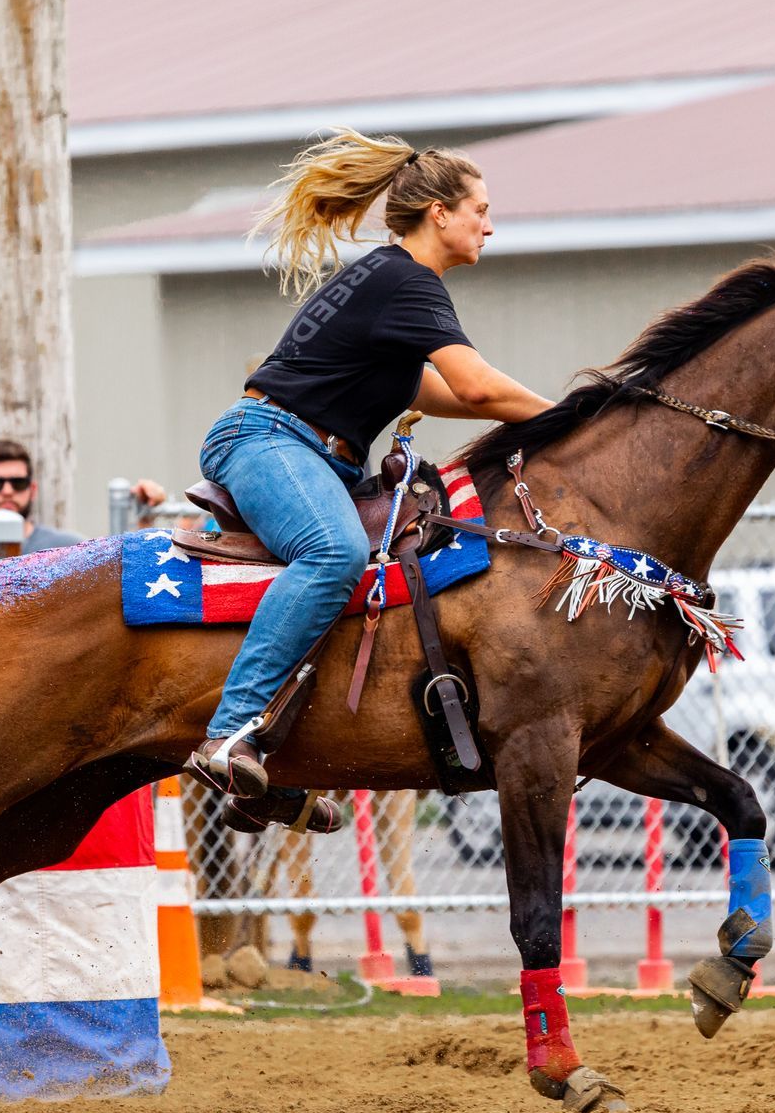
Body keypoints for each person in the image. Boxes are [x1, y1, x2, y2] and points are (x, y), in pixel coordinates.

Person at [188, 129, 552, 831]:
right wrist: (581, 411)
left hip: (296, 447)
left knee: (370, 577)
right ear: (439, 214)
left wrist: (551, 410)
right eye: (480, 207)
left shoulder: (394, 279)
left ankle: (271, 771)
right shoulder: (406, 281)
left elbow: (429, 388)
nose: (490, 222)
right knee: (335, 556)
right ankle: (230, 736)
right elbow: (474, 388)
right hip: (268, 440)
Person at [0, 439, 165, 581]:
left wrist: (144, 520)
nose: (7, 491)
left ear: (32, 489)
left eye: (18, 483)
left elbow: (119, 583)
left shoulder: (69, 549)